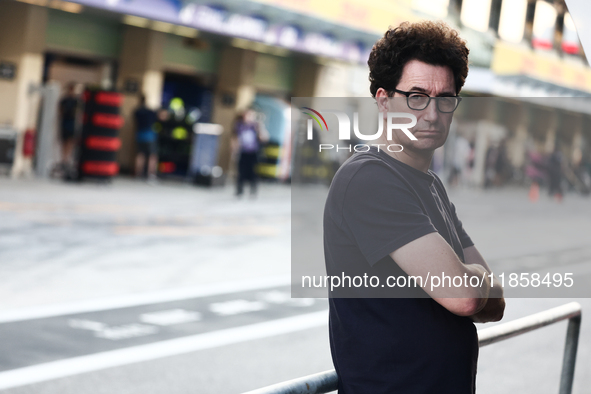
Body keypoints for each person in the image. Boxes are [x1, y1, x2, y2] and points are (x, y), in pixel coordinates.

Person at [323, 21, 505, 393]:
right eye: (417, 96)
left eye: (445, 98)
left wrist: (469, 282)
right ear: (384, 100)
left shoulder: (431, 185)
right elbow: (466, 297)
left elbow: (496, 305)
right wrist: (473, 280)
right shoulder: (369, 179)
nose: (433, 114)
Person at [232, 108, 264, 197]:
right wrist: (234, 149)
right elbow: (235, 137)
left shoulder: (255, 126)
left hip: (253, 152)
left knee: (253, 172)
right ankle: (239, 191)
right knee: (241, 172)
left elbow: (263, 138)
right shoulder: (239, 125)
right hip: (243, 151)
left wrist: (260, 128)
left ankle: (253, 190)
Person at [134, 94, 158, 180]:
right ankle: (150, 175)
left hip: (139, 134)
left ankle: (138, 174)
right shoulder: (150, 111)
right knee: (152, 155)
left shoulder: (137, 111)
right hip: (149, 135)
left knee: (140, 154)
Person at [58, 82, 80, 168]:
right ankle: (63, 159)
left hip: (72, 122)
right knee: (64, 142)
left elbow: (78, 112)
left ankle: (67, 159)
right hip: (65, 122)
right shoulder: (64, 100)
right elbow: (60, 111)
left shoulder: (76, 101)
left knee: (70, 142)